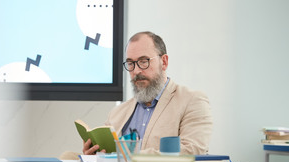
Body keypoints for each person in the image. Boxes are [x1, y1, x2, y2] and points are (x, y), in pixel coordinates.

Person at [82, 31, 212, 155]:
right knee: (68, 156)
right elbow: (107, 157)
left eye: (143, 61)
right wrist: (95, 155)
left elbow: (191, 151)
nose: (136, 71)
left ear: (164, 62)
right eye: (130, 63)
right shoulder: (117, 113)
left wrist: (127, 155)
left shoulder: (192, 101)